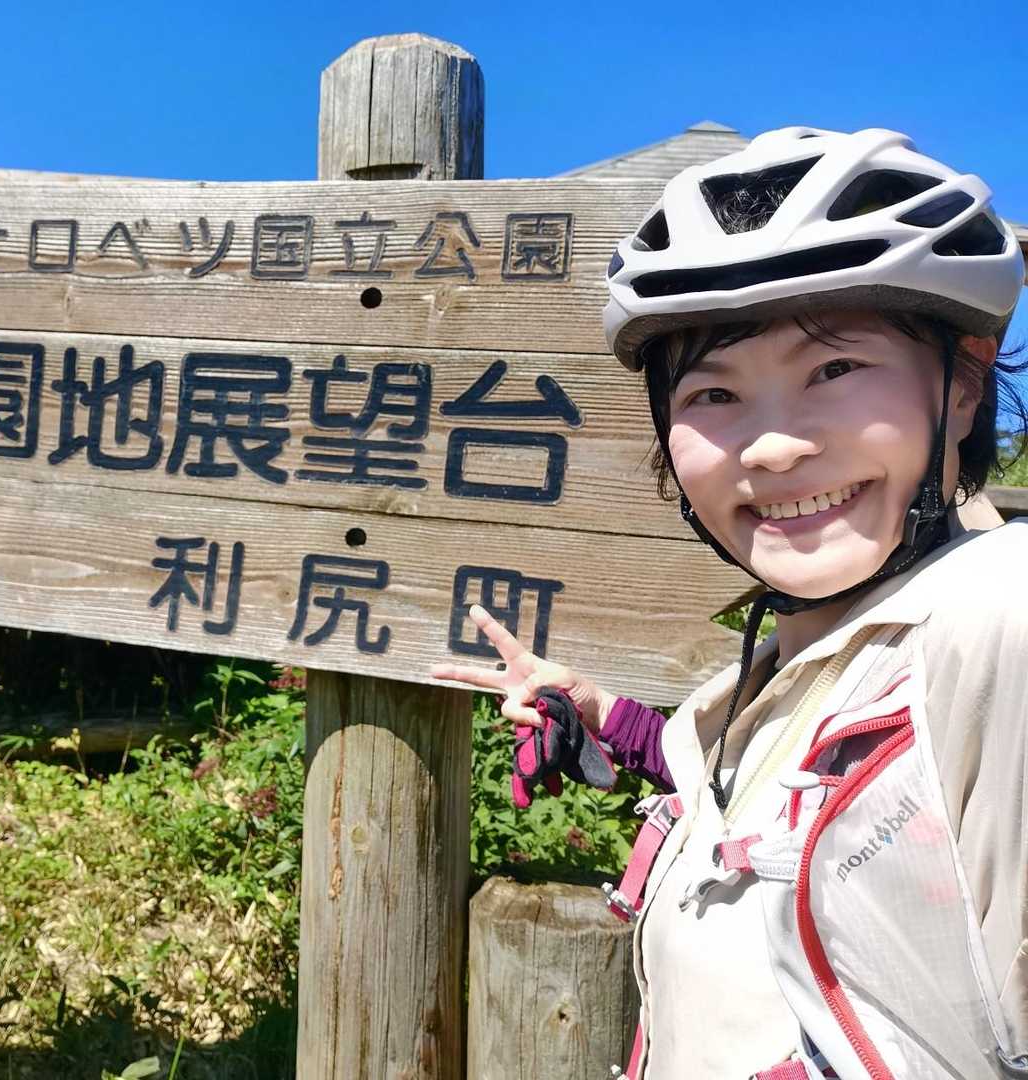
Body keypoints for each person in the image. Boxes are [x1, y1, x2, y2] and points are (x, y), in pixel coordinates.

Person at [431, 126, 1028, 1079]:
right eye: (714, 394)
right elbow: (775, 788)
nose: (773, 447)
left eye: (834, 370)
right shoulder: (814, 657)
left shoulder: (998, 616)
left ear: (962, 387)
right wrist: (608, 721)